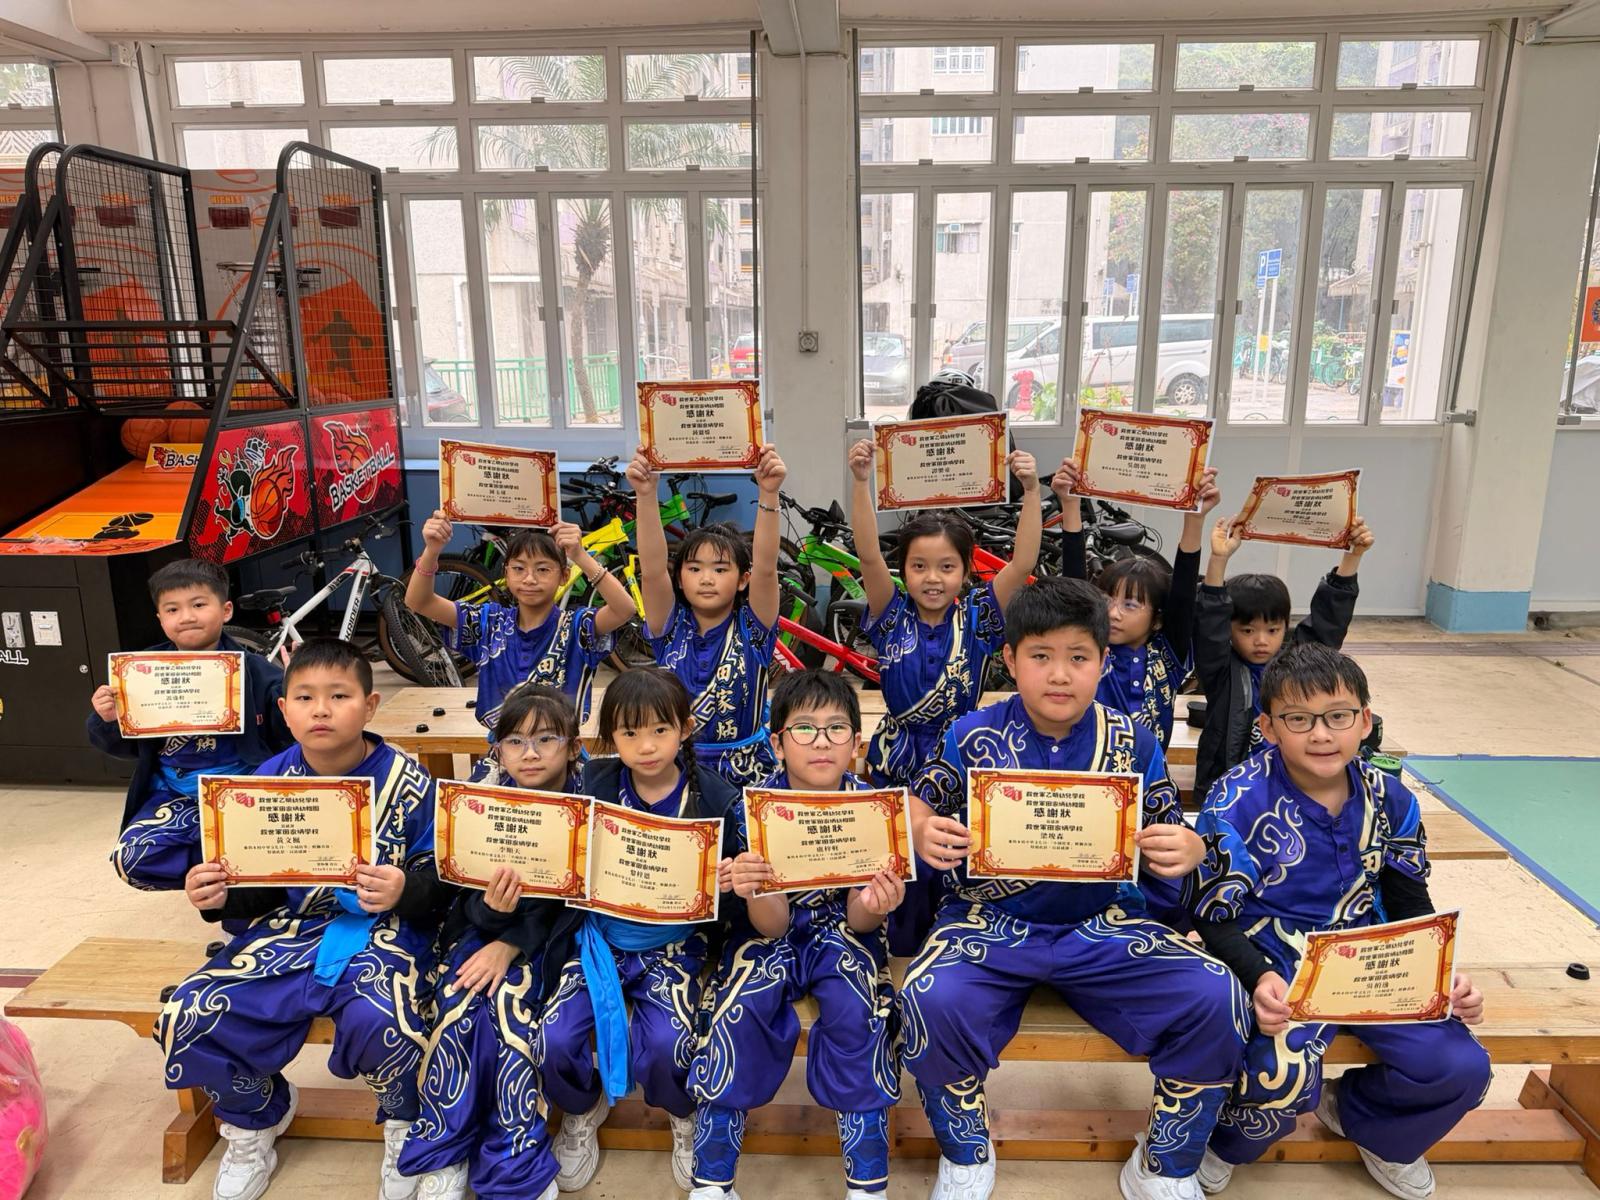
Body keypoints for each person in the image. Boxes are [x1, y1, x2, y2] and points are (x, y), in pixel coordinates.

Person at [897, 577, 1249, 1200]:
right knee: (929, 996)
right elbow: (918, 804)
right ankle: (966, 1149)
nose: (1060, 674)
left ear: (1103, 661)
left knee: (1216, 996)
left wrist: (1189, 847)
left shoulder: (1133, 741)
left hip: (1103, 923)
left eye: (1078, 657)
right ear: (1010, 661)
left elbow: (1167, 827)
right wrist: (923, 829)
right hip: (990, 922)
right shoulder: (970, 733)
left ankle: (1165, 1162)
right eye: (1041, 655)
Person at [1190, 642, 1489, 1198]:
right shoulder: (1235, 801)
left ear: (1365, 721)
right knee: (1280, 1075)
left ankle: (1364, 1120)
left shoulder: (1392, 799)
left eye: (1338, 716)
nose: (1321, 734)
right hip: (1275, 957)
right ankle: (1224, 1143)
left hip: (1372, 957)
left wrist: (1439, 971)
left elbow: (1408, 898)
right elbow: (1212, 915)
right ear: (1268, 727)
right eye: (1298, 719)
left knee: (1460, 1067)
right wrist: (1258, 976)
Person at [155, 638, 450, 1200]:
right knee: (189, 1010)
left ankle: (403, 1120)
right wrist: (214, 895)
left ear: (369, 705)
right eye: (305, 697)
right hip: (289, 932)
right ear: (284, 710)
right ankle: (255, 1115)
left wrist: (405, 890)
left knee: (381, 1014)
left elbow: (444, 882)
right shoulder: (262, 783)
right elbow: (254, 890)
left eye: (339, 696)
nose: (321, 710)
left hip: (385, 933)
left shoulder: (410, 782)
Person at [689, 670, 906, 1200]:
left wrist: (875, 902)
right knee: (740, 1006)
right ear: (777, 742)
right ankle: (713, 1180)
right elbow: (772, 925)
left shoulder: (875, 808)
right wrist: (753, 887)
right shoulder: (751, 809)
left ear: (857, 742)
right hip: (771, 932)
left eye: (837, 729)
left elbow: (861, 921)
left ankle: (867, 1184)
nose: (821, 742)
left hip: (844, 931)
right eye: (804, 729)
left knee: (859, 1007)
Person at [539, 668, 745, 1193]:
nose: (646, 746)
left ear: (686, 728)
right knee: (554, 1036)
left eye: (660, 730)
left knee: (669, 1043)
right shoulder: (592, 783)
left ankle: (682, 1113)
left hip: (674, 945)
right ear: (611, 736)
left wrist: (726, 884)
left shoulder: (716, 800)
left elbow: (732, 904)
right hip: (599, 940)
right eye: (629, 733)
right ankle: (582, 1109)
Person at [846, 438, 1041, 954]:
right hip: (897, 754)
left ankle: (953, 949)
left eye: (947, 567)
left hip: (960, 753)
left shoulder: (980, 615)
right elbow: (868, 552)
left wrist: (1030, 490)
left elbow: (1023, 561)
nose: (932, 578)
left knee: (951, 856)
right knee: (894, 858)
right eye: (919, 566)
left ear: (966, 571)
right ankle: (896, 950)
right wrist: (862, 482)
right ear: (904, 570)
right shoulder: (890, 612)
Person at [396, 684, 585, 1200]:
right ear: (497, 750)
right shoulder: (479, 807)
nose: (530, 753)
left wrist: (513, 942)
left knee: (510, 1011)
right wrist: (492, 913)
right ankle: (446, 1149)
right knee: (458, 1002)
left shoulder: (590, 806)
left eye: (546, 739)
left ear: (573, 746)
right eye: (515, 741)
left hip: (555, 943)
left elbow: (580, 905)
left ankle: (514, 1159)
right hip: (480, 932)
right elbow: (458, 898)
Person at [90, 558, 292, 892]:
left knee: (274, 855)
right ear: (160, 619)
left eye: (198, 605)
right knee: (133, 860)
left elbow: (291, 736)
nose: (186, 617)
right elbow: (122, 747)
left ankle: (236, 875)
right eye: (172, 609)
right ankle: (212, 873)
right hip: (175, 794)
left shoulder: (258, 671)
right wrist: (108, 718)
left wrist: (301, 693)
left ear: (226, 610)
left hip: (244, 790)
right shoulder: (140, 672)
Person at [629, 442, 787, 787]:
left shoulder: (753, 628)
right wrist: (646, 494)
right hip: (676, 771)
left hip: (747, 775)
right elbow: (652, 571)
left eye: (720, 569)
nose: (706, 578)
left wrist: (769, 493)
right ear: (679, 579)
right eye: (694, 568)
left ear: (743, 580)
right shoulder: (669, 627)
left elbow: (766, 567)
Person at [1193, 511, 1375, 802]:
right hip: (1231, 790)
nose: (1261, 640)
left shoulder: (1296, 667)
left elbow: (1328, 623)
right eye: (1248, 630)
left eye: (1273, 629)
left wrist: (1352, 557)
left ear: (1285, 626)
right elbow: (1209, 624)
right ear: (1229, 628)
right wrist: (1218, 559)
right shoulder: (1222, 670)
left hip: (1294, 789)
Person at [406, 514, 636, 729]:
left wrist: (580, 556)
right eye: (518, 568)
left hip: (562, 749)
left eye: (543, 569)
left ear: (564, 576)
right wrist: (432, 550)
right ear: (506, 574)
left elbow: (624, 609)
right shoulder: (488, 623)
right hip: (505, 749)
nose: (529, 579)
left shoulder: (577, 627)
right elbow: (419, 601)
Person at [1051, 461, 1220, 748]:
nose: (1113, 613)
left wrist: (1195, 518)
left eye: (1130, 605)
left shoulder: (1167, 654)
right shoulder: (1089, 647)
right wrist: (1070, 504)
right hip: (1088, 772)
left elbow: (1183, 591)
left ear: (1157, 619)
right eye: (1107, 600)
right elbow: (1074, 585)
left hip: (1149, 774)